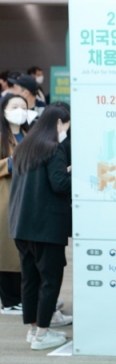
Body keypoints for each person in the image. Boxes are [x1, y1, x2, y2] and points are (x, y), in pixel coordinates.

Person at [8, 103, 72, 350]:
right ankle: (43, 334)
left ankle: (34, 330)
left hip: (21, 225)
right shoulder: (53, 149)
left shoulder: (25, 148)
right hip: (46, 227)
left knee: (30, 279)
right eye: (66, 125)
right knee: (50, 279)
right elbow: (59, 185)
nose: (66, 130)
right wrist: (72, 174)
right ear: (58, 123)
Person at [0, 94, 31, 316]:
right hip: (5, 198)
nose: (19, 110)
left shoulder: (29, 135)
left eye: (23, 107)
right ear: (4, 110)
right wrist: (9, 163)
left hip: (27, 200)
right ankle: (9, 300)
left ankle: (22, 297)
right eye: (14, 106)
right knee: (7, 250)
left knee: (24, 249)